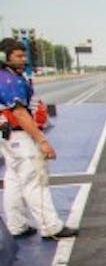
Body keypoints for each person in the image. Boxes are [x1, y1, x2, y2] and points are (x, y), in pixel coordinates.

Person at [1, 38, 77, 240]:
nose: (23, 59)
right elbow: (20, 114)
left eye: (23, 55)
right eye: (18, 56)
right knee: (35, 179)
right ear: (4, 57)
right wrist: (42, 140)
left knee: (13, 179)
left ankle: (17, 225)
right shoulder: (10, 80)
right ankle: (50, 226)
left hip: (6, 137)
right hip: (19, 135)